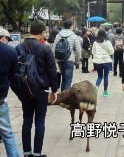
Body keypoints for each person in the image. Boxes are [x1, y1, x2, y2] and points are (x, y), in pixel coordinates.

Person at [15, 19, 58, 157]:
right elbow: (52, 71)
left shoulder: (19, 47)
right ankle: (37, 153)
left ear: (30, 31)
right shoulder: (45, 48)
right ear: (41, 32)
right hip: (41, 89)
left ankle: (27, 153)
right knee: (40, 121)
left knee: (27, 119)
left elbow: (15, 70)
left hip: (25, 88)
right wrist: (54, 90)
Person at [0, 28, 20, 157]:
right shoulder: (11, 52)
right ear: (3, 38)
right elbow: (12, 76)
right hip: (1, 99)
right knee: (7, 134)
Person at [53, 20, 81, 91]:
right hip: (69, 60)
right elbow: (78, 50)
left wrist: (55, 60)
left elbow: (54, 49)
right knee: (68, 80)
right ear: (71, 26)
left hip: (60, 60)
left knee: (64, 79)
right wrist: (77, 61)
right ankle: (66, 99)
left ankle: (62, 97)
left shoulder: (58, 36)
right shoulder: (74, 36)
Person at [92, 29, 114, 96]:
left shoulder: (95, 42)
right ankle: (105, 92)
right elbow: (112, 52)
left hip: (98, 62)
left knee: (99, 76)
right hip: (106, 61)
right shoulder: (107, 42)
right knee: (106, 76)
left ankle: (96, 88)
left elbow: (93, 52)